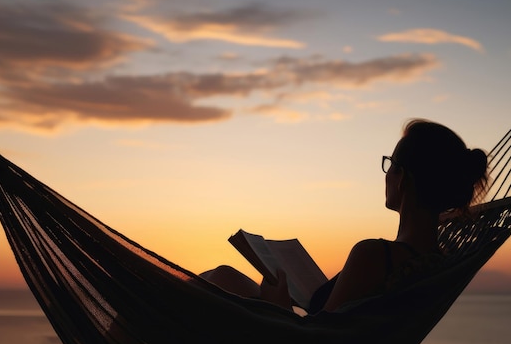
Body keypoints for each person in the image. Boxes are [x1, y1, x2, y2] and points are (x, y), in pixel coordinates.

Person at [202, 119, 489, 313]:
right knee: (222, 274)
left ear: (403, 178)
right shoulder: (438, 260)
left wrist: (278, 308)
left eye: (390, 164)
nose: (386, 173)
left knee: (213, 280)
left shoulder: (373, 254)